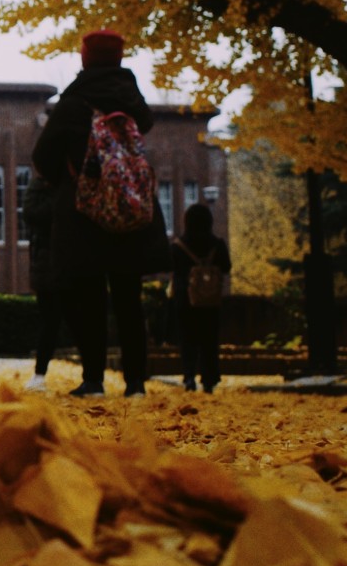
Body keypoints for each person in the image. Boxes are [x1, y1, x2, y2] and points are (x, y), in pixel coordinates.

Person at [31, 28, 165, 397]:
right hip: (129, 210)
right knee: (128, 298)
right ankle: (135, 382)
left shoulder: (75, 103)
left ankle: (93, 380)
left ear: (85, 58)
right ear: (120, 59)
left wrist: (69, 178)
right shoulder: (133, 103)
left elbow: (43, 157)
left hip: (84, 214)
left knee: (88, 297)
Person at [168, 202, 232, 392]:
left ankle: (189, 376)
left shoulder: (179, 246)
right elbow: (227, 267)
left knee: (188, 338)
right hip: (210, 301)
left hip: (185, 299)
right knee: (209, 339)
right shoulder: (217, 245)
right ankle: (209, 378)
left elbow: (172, 267)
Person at [24, 171, 68, 392]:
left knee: (81, 319)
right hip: (48, 262)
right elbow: (31, 213)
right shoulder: (41, 185)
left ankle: (93, 376)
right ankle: (40, 373)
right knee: (50, 320)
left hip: (69, 259)